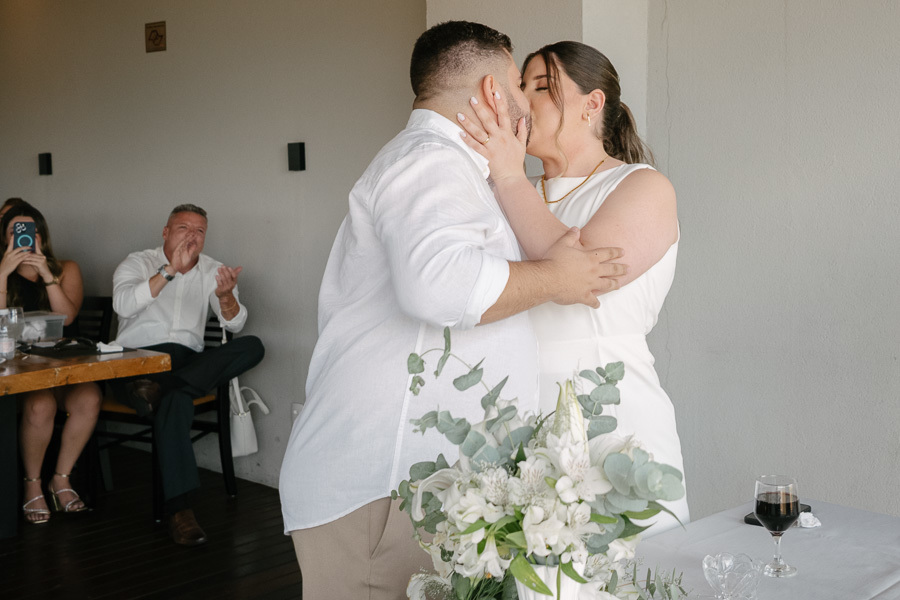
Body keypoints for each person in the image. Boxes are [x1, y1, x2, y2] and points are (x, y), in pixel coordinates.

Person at [279, 22, 627, 600]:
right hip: (383, 489)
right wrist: (557, 279)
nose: (523, 99)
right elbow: (437, 287)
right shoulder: (428, 160)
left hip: (411, 489)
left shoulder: (458, 168)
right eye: (519, 81)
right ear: (493, 90)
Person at [456, 40, 689, 534]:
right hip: (513, 421)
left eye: (542, 86)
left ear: (593, 103)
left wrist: (506, 174)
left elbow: (575, 274)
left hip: (616, 418)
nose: (522, 100)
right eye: (521, 87)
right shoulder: (502, 192)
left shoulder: (643, 187)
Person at [112, 204, 264, 546]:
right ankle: (181, 513)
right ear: (166, 232)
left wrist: (226, 299)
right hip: (135, 363)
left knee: (253, 345)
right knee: (178, 400)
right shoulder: (137, 262)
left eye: (199, 231)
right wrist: (168, 272)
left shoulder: (214, 270)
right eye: (183, 228)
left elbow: (235, 323)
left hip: (182, 366)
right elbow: (123, 305)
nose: (191, 236)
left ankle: (159, 389)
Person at [0, 202, 100, 524]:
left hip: (60, 369)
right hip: (18, 372)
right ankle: (32, 484)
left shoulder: (65, 268)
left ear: (42, 235)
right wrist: (3, 272)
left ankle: (61, 478)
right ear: (4, 237)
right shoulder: (0, 270)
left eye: (33, 230)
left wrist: (45, 273)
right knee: (40, 404)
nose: (26, 237)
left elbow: (67, 316)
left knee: (90, 397)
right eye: (17, 231)